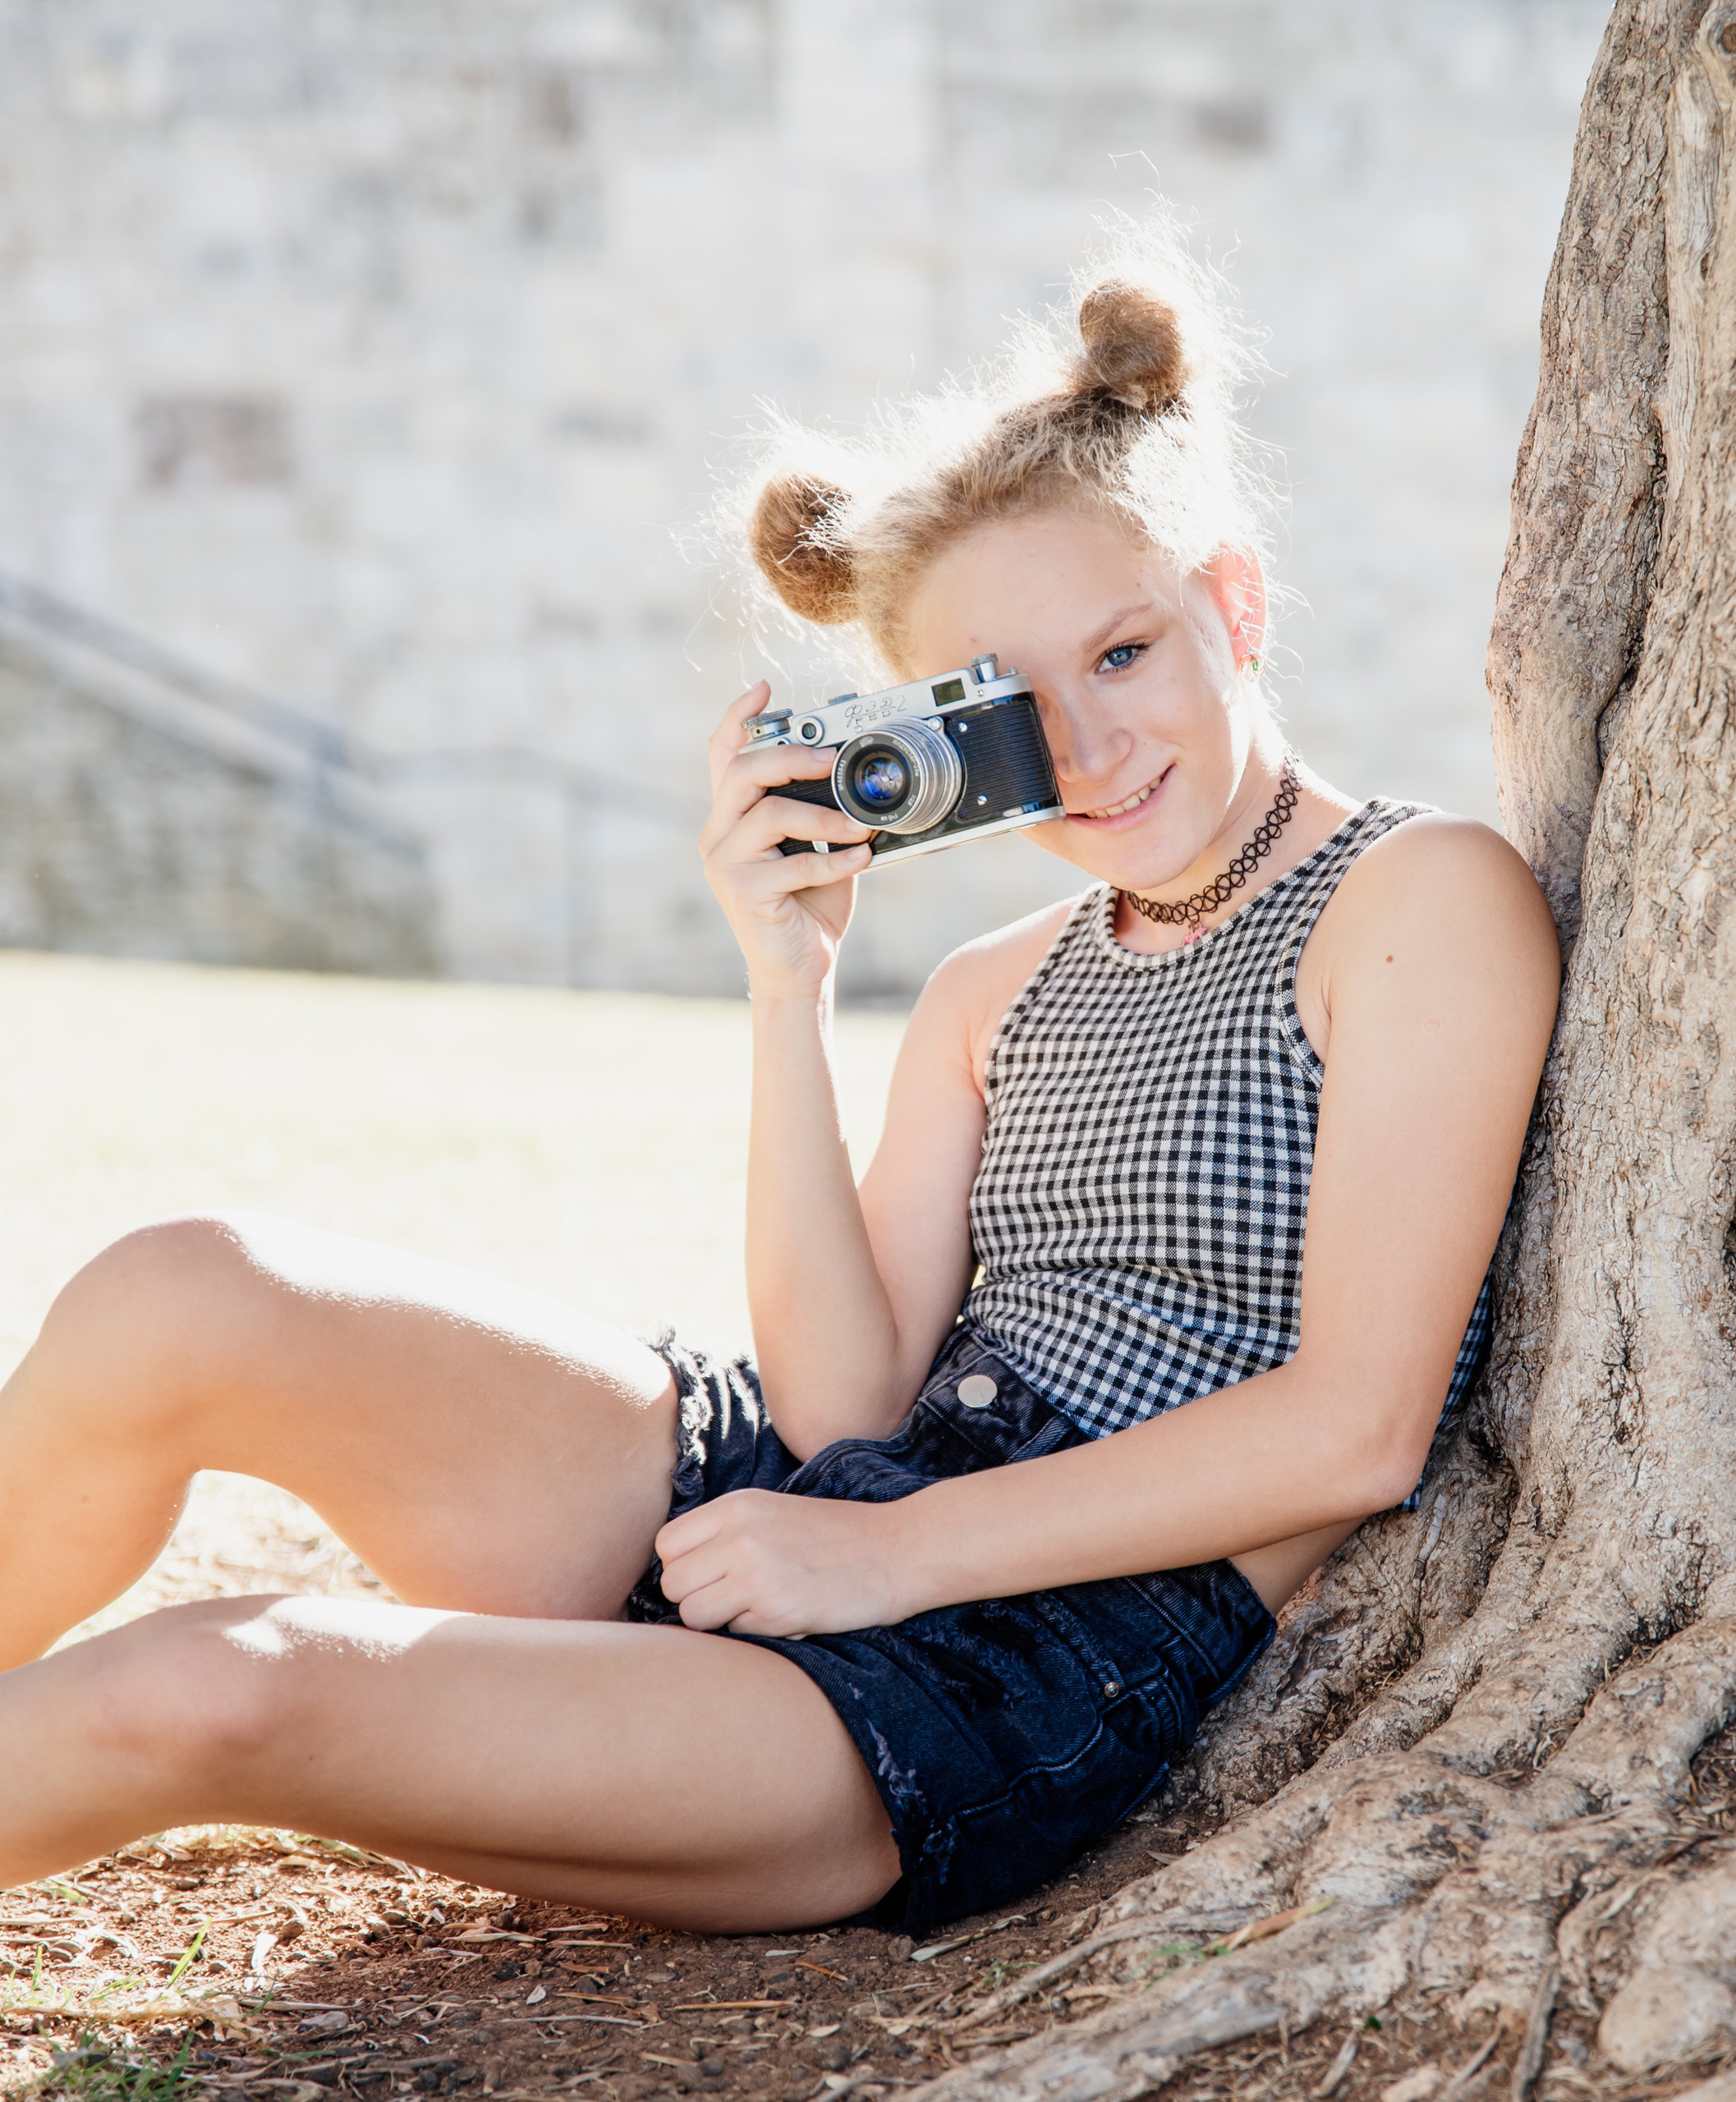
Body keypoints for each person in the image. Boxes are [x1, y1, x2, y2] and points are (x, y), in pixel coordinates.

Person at [0, 246, 1559, 1935]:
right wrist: (786, 976)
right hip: (799, 1497)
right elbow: (839, 1406)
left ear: (1231, 606)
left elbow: (1354, 1427)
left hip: (1014, 1646)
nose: (1091, 747)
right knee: (184, 1285)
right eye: (1014, 707)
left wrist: (892, 1556)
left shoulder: (1414, 899)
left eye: (1122, 653)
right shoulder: (995, 985)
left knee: (231, 1681)